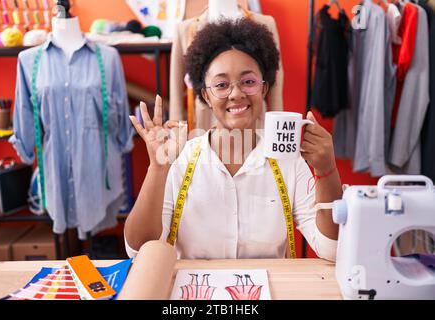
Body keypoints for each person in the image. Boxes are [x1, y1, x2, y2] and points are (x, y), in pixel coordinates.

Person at [124, 18, 342, 261]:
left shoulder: (288, 162)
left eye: (248, 82)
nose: (236, 94)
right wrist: (157, 168)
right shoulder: (179, 159)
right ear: (205, 95)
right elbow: (138, 249)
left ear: (264, 89)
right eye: (222, 84)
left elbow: (331, 249)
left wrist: (327, 170)